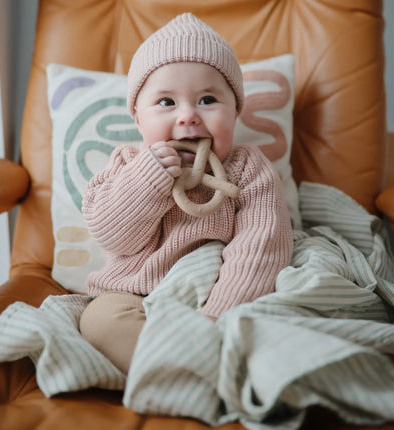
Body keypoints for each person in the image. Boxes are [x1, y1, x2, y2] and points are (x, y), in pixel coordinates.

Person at [79, 13, 293, 374]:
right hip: (134, 295)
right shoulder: (126, 164)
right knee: (99, 321)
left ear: (235, 113)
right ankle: (189, 370)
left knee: (271, 320)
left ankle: (205, 355)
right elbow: (113, 236)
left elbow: (262, 247)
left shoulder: (248, 168)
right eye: (166, 103)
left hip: (214, 294)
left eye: (208, 99)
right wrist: (147, 180)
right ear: (137, 118)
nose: (188, 116)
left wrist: (218, 316)